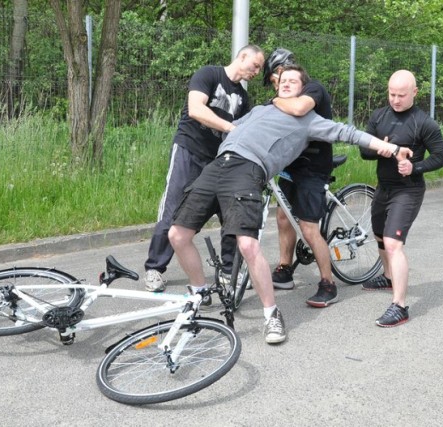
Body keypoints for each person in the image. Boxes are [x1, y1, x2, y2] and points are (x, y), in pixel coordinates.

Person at [168, 65, 413, 344]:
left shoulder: (309, 120)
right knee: (177, 235)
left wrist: (391, 149)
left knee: (247, 244)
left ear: (302, 89)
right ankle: (199, 293)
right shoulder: (260, 109)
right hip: (219, 164)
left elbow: (350, 133)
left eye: (293, 81)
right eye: (282, 81)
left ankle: (272, 314)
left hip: (249, 169)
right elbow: (230, 128)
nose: (286, 84)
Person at [143, 45, 266, 295]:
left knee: (230, 212)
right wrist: (231, 129)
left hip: (217, 160)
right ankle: (155, 268)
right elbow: (196, 109)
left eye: (260, 69)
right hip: (189, 150)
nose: (257, 71)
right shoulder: (208, 74)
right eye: (256, 65)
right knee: (174, 209)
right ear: (243, 56)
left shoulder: (243, 98)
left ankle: (227, 271)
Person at [360, 69, 443, 327]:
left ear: (414, 93)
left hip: (408, 189)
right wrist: (382, 148)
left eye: (401, 95)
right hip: (384, 187)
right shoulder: (379, 116)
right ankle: (387, 277)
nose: (395, 100)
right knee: (378, 234)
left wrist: (415, 167)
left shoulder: (424, 122)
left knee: (392, 242)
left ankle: (399, 306)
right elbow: (364, 152)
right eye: (391, 94)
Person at [262, 48, 339, 309]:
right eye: (276, 83)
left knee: (308, 228)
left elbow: (298, 108)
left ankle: (328, 283)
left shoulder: (312, 89)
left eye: (276, 79)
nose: (277, 86)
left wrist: (274, 102)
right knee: (283, 216)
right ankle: (285, 269)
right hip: (291, 167)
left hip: (313, 167)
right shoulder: (282, 97)